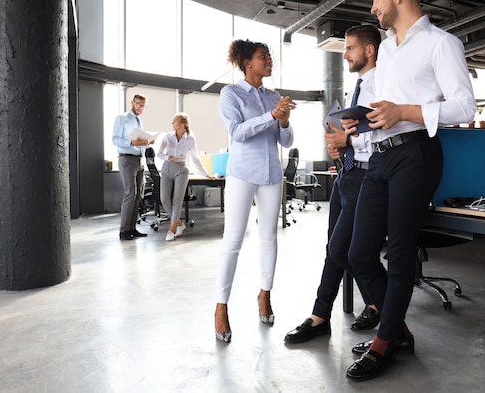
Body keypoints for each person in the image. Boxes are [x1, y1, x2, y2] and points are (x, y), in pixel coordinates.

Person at [344, 0, 476, 381]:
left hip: (417, 155)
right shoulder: (387, 50)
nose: (373, 7)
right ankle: (396, 329)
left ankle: (385, 342)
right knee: (359, 253)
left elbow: (465, 107)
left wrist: (405, 112)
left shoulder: (442, 44)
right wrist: (361, 122)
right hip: (380, 158)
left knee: (399, 255)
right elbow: (388, 109)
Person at [284, 25, 394, 343]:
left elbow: (387, 133)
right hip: (346, 173)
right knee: (333, 250)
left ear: (370, 50)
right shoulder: (356, 87)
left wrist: (350, 137)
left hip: (368, 176)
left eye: (350, 48)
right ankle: (321, 316)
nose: (344, 53)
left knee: (344, 251)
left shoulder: (384, 85)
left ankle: (385, 308)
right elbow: (353, 135)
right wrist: (339, 144)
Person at [214, 39, 296, 343]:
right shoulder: (230, 94)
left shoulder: (274, 96)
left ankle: (264, 295)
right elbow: (237, 133)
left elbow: (285, 142)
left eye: (270, 57)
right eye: (264, 57)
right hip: (242, 174)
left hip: (272, 173)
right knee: (232, 240)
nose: (270, 61)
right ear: (248, 62)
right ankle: (221, 307)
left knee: (269, 237)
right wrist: (272, 116)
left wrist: (284, 122)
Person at [156, 112, 214, 242]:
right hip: (167, 168)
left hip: (181, 169)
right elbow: (159, 153)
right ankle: (180, 224)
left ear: (182, 124)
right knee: (164, 199)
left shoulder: (190, 140)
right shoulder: (167, 137)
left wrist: (206, 174)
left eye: (174, 121)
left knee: (177, 200)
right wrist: (167, 157)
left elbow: (195, 158)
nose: (172, 123)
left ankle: (171, 230)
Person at [112, 94, 155, 240]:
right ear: (132, 102)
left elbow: (139, 141)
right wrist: (132, 143)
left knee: (137, 196)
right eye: (138, 104)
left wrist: (148, 142)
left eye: (143, 106)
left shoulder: (139, 121)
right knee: (130, 193)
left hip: (139, 160)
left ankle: (132, 228)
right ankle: (123, 231)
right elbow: (115, 139)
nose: (140, 108)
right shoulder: (122, 118)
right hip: (127, 160)